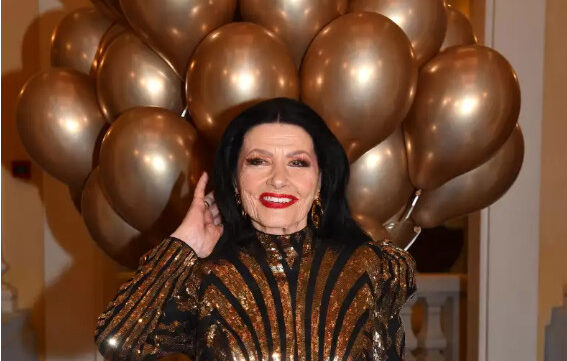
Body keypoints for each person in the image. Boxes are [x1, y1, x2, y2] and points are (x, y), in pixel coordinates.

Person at [94, 97, 416, 361]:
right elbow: (116, 342)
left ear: (320, 180)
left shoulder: (370, 269)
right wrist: (184, 243)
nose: (278, 179)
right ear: (235, 180)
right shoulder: (205, 277)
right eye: (258, 161)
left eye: (297, 162)